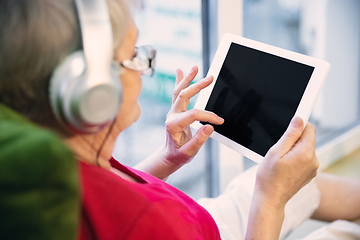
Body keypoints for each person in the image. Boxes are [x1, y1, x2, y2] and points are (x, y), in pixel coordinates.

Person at [0, 0, 359, 239]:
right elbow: (132, 218)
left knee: (301, 185)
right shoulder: (149, 224)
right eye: (133, 56)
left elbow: (109, 200)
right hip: (193, 227)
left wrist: (166, 159)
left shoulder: (54, 160)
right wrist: (270, 201)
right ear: (92, 91)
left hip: (192, 220)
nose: (145, 67)